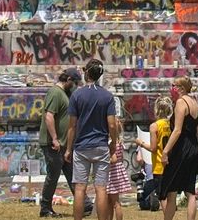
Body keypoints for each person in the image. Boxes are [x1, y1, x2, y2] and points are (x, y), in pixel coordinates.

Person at [65, 59, 118, 220]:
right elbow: (112, 125)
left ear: (86, 72)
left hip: (81, 147)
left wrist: (68, 149)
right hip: (101, 145)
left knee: (80, 188)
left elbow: (72, 126)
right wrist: (113, 144)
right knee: (101, 188)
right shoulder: (107, 96)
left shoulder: (77, 95)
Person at [40, 69, 92, 218]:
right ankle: (45, 207)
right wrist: (55, 139)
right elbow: (49, 116)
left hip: (64, 145)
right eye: (75, 83)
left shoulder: (65, 95)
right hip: (53, 144)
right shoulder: (55, 93)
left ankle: (86, 205)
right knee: (53, 175)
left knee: (73, 175)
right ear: (68, 79)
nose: (75, 86)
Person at [159, 75, 198, 220]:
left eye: (174, 86)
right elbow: (197, 130)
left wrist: (165, 151)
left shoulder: (181, 103)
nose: (173, 88)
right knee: (190, 192)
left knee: (171, 189)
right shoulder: (194, 103)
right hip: (194, 147)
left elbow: (177, 130)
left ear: (181, 88)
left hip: (181, 148)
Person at [136, 95, 173, 209]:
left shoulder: (154, 126)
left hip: (159, 164)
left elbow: (153, 148)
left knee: (162, 196)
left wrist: (140, 143)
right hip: (171, 163)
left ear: (156, 109)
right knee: (171, 195)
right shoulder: (171, 124)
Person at [106, 116, 131, 220]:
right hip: (117, 172)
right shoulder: (119, 141)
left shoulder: (111, 143)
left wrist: (105, 160)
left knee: (115, 203)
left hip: (112, 174)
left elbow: (114, 159)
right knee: (110, 202)